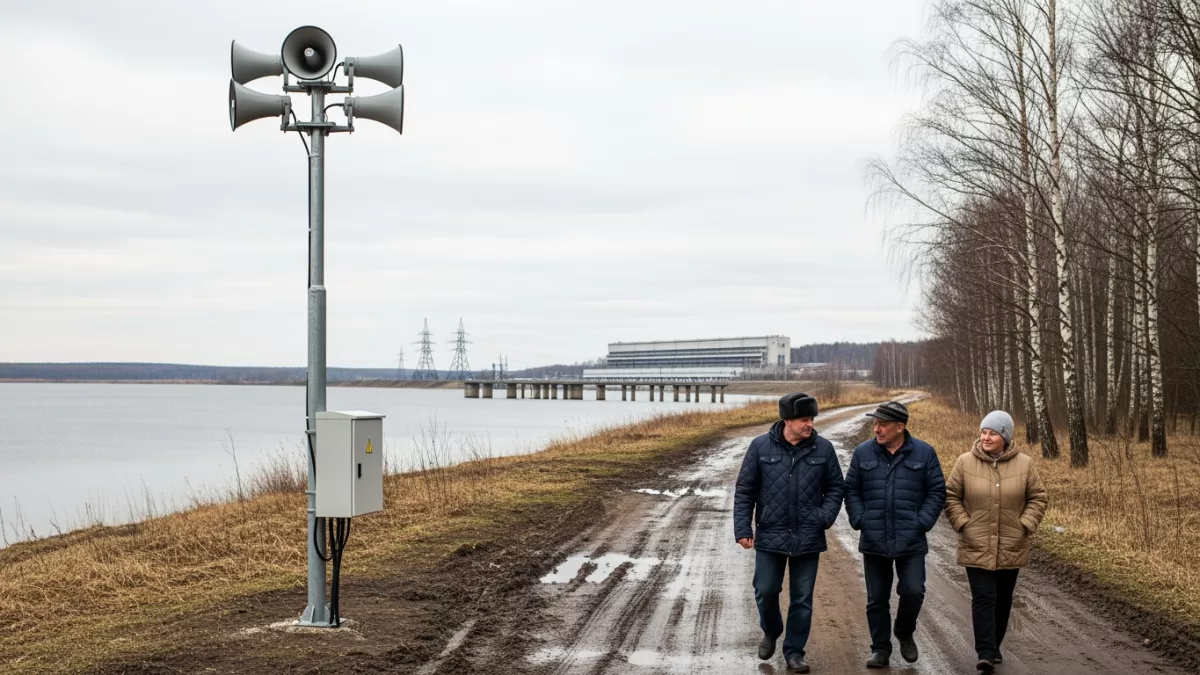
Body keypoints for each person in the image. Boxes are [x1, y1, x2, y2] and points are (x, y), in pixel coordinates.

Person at [734, 392, 845, 674]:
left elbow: (835, 487)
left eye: (811, 419)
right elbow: (745, 490)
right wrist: (743, 528)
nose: (810, 424)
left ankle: (794, 652)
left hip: (808, 536)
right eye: (804, 419)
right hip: (771, 534)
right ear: (787, 421)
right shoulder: (760, 447)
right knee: (765, 590)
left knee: (802, 599)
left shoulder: (824, 449)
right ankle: (771, 630)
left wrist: (824, 517)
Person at [843, 400, 946, 669]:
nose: (876, 429)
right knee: (876, 598)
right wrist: (859, 519)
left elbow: (936, 491)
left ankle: (904, 630)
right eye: (875, 423)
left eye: (883, 424)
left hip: (911, 539)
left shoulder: (924, 453)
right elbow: (851, 489)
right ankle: (880, 649)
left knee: (913, 591)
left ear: (900, 427)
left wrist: (921, 522)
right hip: (874, 538)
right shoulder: (863, 453)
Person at [944, 410, 1048, 672]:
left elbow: (1038, 497)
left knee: (1003, 598)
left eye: (992, 433)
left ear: (1005, 437)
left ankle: (995, 645)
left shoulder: (1025, 464)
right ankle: (986, 652)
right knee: (984, 597)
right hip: (975, 542)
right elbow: (951, 495)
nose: (986, 437)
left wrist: (1024, 525)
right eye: (983, 432)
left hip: (1012, 543)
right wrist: (963, 524)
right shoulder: (965, 462)